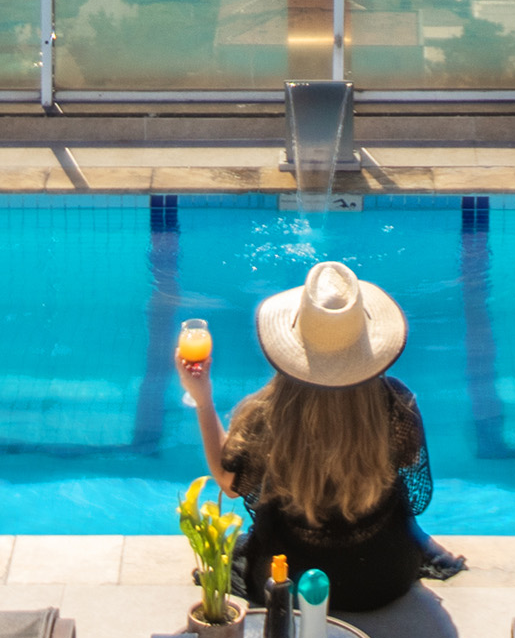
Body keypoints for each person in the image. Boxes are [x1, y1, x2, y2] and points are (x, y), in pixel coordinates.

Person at [175, 260, 466, 617]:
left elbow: (228, 482)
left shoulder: (266, 415)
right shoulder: (396, 404)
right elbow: (411, 485)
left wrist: (202, 397)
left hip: (290, 579)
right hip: (384, 576)